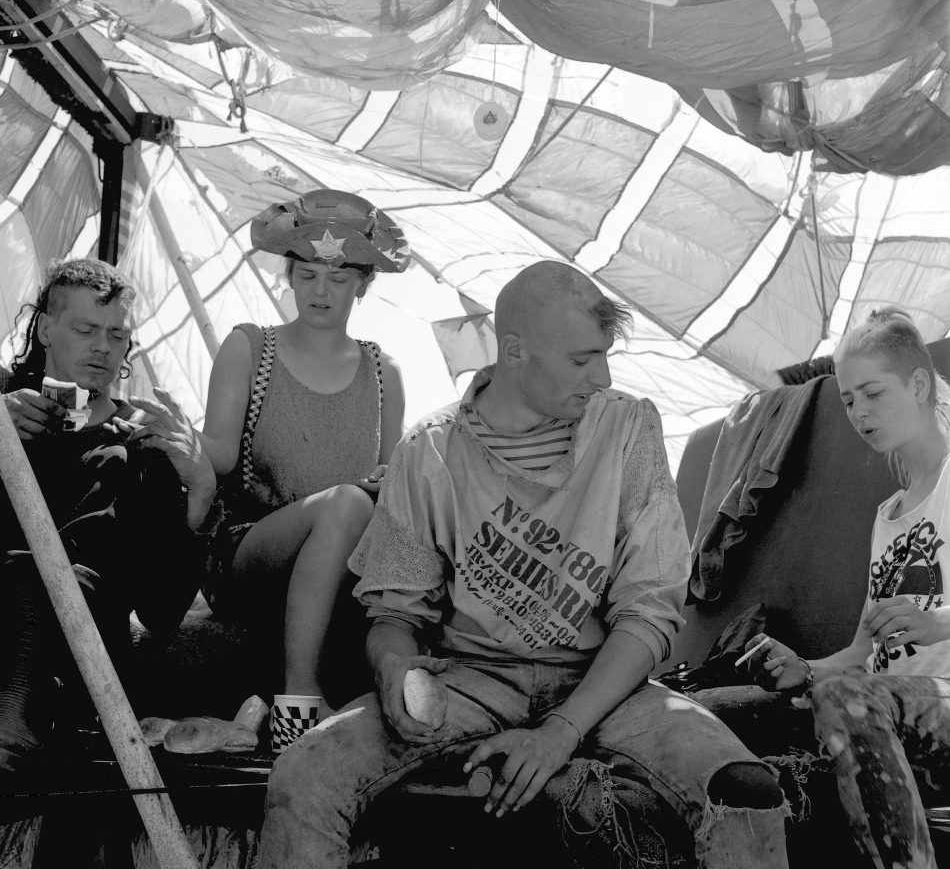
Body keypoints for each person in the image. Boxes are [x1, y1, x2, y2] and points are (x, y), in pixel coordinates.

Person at [258, 260, 790, 869]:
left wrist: (559, 733)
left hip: (606, 682)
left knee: (746, 792)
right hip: (473, 677)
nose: (602, 376)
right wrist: (391, 664)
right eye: (581, 360)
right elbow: (394, 613)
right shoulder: (431, 450)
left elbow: (649, 613)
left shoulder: (627, 428)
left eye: (604, 356)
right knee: (304, 773)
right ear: (514, 351)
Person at [197, 189, 409, 751]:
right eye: (308, 274)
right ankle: (299, 699)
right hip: (250, 552)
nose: (320, 291)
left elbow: (389, 482)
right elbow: (217, 452)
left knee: (358, 507)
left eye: (338, 279)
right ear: (288, 276)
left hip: (342, 567)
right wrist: (174, 436)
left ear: (363, 284)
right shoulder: (250, 347)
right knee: (344, 503)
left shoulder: (384, 374)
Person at [742, 307, 950, 869]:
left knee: (846, 698)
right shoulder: (888, 517)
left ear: (920, 383)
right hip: (885, 710)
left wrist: (940, 623)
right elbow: (862, 654)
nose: (859, 412)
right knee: (730, 706)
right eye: (849, 399)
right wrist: (806, 669)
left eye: (873, 393)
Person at [0, 257, 215, 771]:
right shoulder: (4, 405)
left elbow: (162, 612)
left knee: (50, 577)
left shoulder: (145, 440)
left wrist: (200, 490)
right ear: (47, 328)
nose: (102, 345)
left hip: (85, 646)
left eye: (117, 334)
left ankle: (13, 735)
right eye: (85, 329)